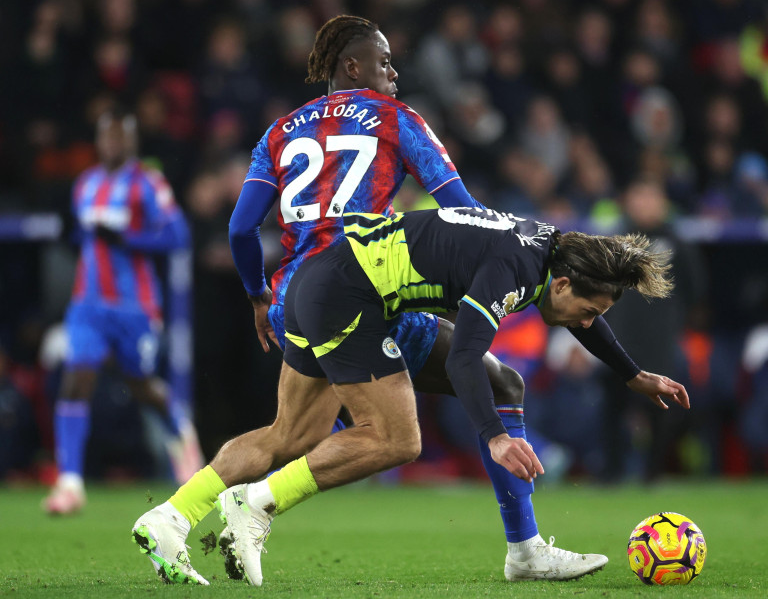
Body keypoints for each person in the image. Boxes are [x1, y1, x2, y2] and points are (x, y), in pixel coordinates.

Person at [132, 207, 690, 586]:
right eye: (588, 312)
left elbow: (562, 323)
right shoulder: (515, 271)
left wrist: (632, 374)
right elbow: (467, 356)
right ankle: (256, 503)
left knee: (291, 436)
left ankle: (172, 517)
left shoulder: (549, 249)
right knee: (398, 440)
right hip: (351, 301)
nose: (586, 323)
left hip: (319, 286)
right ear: (564, 286)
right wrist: (494, 437)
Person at [222, 14, 589, 582]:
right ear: (352, 67)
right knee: (413, 428)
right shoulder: (395, 119)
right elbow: (459, 208)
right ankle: (525, 548)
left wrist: (254, 297)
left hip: (294, 293)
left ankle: (176, 514)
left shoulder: (281, 130)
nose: (393, 71)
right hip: (369, 288)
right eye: (384, 61)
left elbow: (242, 230)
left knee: (289, 434)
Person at [43, 109, 203, 515]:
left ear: (132, 142)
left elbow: (178, 234)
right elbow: (84, 237)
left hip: (135, 308)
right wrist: (72, 235)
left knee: (142, 385)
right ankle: (70, 484)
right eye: (107, 137)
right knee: (77, 376)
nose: (113, 144)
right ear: (99, 141)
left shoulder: (147, 183)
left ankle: (183, 439)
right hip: (88, 303)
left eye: (121, 137)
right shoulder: (86, 183)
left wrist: (128, 237)